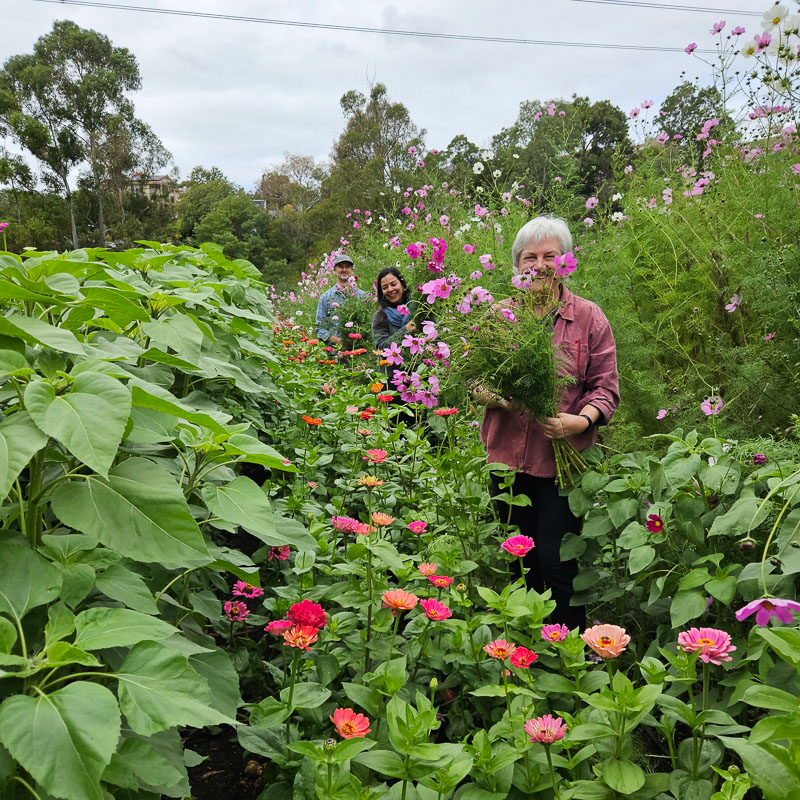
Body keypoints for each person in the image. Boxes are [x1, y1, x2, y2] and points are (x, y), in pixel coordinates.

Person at [474, 215, 619, 631]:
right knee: (518, 560)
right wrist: (486, 393)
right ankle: (524, 647)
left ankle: (568, 647)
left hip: (561, 465)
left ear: (565, 261)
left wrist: (580, 421)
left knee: (558, 562)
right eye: (529, 257)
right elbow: (474, 377)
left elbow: (605, 388)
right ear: (517, 266)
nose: (539, 265)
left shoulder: (590, 318)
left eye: (549, 255)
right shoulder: (498, 316)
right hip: (505, 460)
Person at [371, 266, 417, 377]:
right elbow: (381, 348)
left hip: (420, 375)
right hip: (393, 379)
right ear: (381, 292)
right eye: (385, 287)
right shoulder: (380, 316)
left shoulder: (417, 308)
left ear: (402, 284)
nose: (390, 289)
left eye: (393, 284)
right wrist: (405, 330)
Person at [315, 255, 367, 346]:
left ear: (352, 270)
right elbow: (320, 328)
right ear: (335, 271)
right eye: (340, 267)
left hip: (359, 350)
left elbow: (369, 324)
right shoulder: (325, 298)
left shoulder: (362, 296)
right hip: (335, 352)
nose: (344, 269)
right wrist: (337, 341)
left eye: (347, 267)